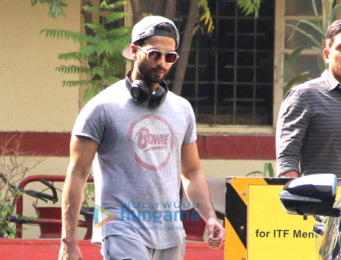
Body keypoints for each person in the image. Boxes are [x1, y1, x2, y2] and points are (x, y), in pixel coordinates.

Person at [58, 15, 226, 260]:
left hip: (170, 233)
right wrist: (68, 242)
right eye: (154, 54)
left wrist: (210, 217)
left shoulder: (182, 109)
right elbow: (77, 173)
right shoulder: (102, 107)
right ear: (134, 51)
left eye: (170, 57)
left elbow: (191, 172)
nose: (162, 62)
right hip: (119, 228)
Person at [276, 18, 341, 178]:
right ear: (327, 55)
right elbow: (288, 159)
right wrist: (298, 199)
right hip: (322, 201)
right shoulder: (304, 96)